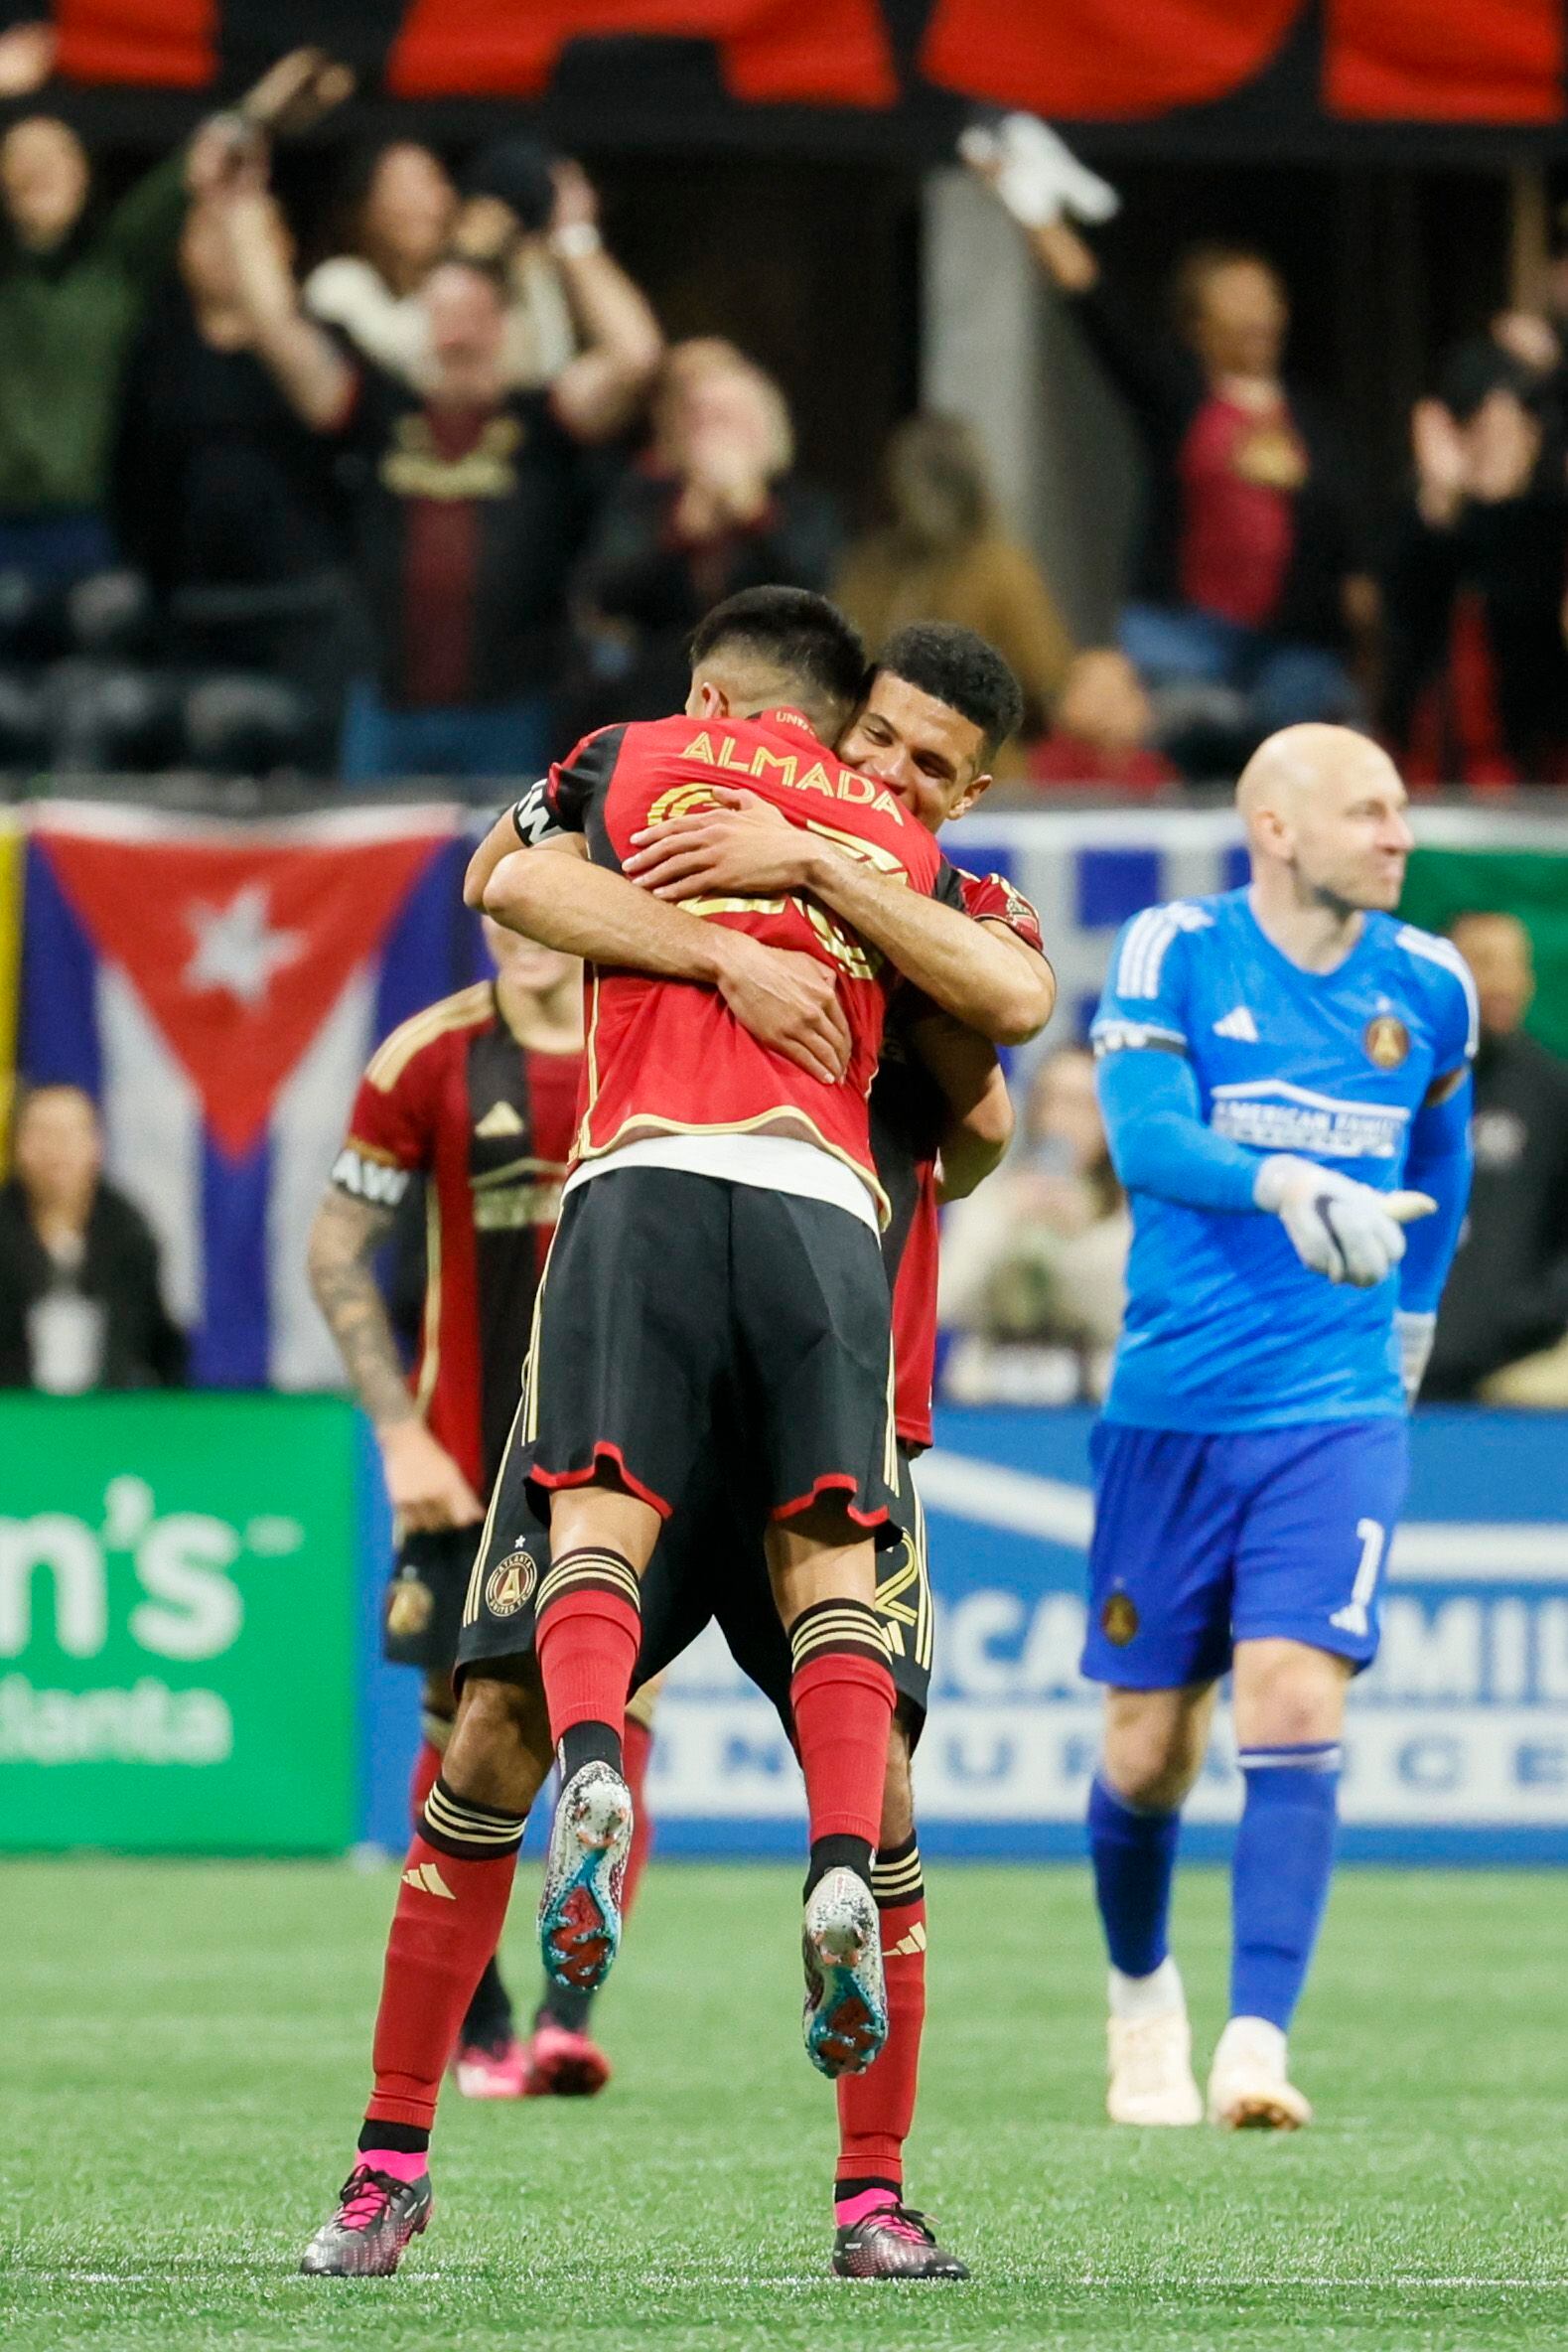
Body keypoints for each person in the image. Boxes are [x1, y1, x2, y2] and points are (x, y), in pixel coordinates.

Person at [297, 596, 1054, 2278]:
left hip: (817, 1342)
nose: (892, 777)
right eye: (876, 745)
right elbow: (518, 878)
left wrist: (820, 870)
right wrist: (731, 920)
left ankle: (869, 2193)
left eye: (931, 771)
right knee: (484, 1729)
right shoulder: (728, 814)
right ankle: (389, 2160)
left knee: (886, 1784)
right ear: (832, 718)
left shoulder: (904, 881)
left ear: (968, 790)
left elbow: (989, 1101)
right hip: (760, 1289)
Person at [1085, 723, 1474, 2131]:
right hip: (1172, 1406)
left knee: (1294, 1701)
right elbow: (1142, 1139)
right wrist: (1287, 1183)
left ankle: (1253, 2042)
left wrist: (1410, 1329)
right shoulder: (1170, 950)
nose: (1397, 834)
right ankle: (1141, 2004)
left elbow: (1439, 1163)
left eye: (1401, 808)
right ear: (1273, 826)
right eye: (1368, 810)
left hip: (1336, 1406)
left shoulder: (1426, 985)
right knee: (1144, 1752)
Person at [212, 141, 642, 784]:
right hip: (386, 705)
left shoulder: (542, 416)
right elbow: (276, 327)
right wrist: (238, 206)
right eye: (442, 315)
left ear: (502, 323)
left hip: (515, 707)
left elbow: (635, 357)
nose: (457, 333)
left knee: (500, 880)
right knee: (379, 873)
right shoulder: (379, 409)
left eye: (473, 314)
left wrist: (573, 236)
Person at [966, 126, 1372, 765]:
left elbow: (1347, 542)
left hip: (1292, 649)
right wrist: (1030, 207)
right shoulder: (1178, 398)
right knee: (1180, 750)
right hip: (1184, 640)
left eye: (1265, 295)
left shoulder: (1312, 421)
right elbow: (1094, 305)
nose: (1258, 312)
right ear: (1199, 325)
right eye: (1236, 299)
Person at [0, 49, 348, 596]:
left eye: (57, 157)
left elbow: (182, 180)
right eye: (22, 158)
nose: (40, 171)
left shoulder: (110, 275)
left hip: (83, 532)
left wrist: (257, 106)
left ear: (84, 174)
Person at [111, 178, 349, 769]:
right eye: (207, 230)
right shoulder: (154, 350)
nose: (225, 248)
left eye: (243, 231)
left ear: (283, 247)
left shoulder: (323, 344)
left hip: (302, 612)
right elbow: (127, 476)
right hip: (189, 615)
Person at [573, 339, 840, 724]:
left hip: (770, 710)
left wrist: (752, 515)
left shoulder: (804, 507)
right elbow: (605, 590)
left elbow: (816, 587)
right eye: (702, 420)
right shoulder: (646, 499)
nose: (714, 436)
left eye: (727, 419)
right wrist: (680, 533)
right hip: (658, 706)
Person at [304, 140, 658, 419]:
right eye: (403, 185)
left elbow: (551, 368)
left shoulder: (503, 283)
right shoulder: (339, 285)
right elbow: (409, 363)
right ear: (363, 208)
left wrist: (571, 235)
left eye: (434, 181)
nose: (428, 202)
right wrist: (467, 255)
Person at [835, 412, 1074, 770]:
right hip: (864, 764)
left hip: (975, 775)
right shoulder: (870, 568)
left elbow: (1047, 683)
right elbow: (840, 660)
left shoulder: (1001, 570)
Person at [1381, 344, 1568, 788]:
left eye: (1510, 428)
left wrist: (1491, 505)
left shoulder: (1550, 517)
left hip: (1541, 762)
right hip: (1441, 763)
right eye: (1478, 428)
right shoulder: (1422, 524)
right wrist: (1444, 504)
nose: (1494, 446)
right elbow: (1407, 638)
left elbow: (1530, 627)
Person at [1425, 913, 1568, 1404]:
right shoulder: (1392, 1082)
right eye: (1484, 963)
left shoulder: (1552, 1093)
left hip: (1506, 1382)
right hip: (1384, 1363)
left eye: (1516, 966)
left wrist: (1526, 1319)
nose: (1503, 982)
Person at [939, 1042, 1131, 1403]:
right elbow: (943, 1301)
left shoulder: (1128, 1209)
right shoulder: (991, 1195)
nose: (1060, 1119)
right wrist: (1004, 1222)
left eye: (1080, 1105)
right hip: (984, 1401)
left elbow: (1125, 1315)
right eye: (1050, 1100)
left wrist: (1077, 1236)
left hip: (1090, 1401)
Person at [0, 1082, 185, 1390]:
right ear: (17, 1144)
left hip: (105, 1419)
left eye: (70, 1135)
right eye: (43, 1133)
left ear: (96, 1144)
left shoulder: (128, 1232)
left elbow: (158, 1342)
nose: (56, 1151)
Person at [1026, 649, 1179, 794]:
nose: (1109, 710)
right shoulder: (1053, 761)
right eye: (1100, 695)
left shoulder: (1151, 765)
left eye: (1120, 696)